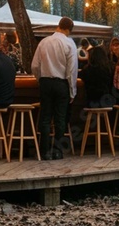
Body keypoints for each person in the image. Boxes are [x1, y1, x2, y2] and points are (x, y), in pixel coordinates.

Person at [31, 16, 78, 160]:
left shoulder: (44, 42)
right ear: (68, 30)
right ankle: (57, 151)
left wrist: (41, 79)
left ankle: (44, 151)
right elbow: (71, 70)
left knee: (45, 117)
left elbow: (35, 66)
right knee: (60, 118)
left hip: (45, 82)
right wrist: (72, 91)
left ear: (58, 26)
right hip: (61, 83)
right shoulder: (69, 44)